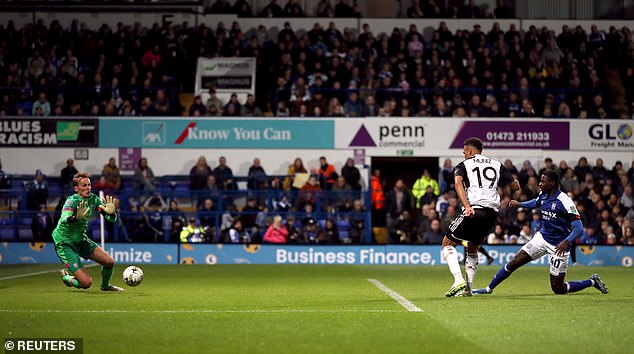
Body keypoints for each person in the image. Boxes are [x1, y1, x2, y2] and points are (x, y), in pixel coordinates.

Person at [473, 170, 608, 296]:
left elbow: (578, 227)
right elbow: (536, 203)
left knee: (558, 289)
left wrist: (566, 242)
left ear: (553, 183)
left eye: (543, 181)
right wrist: (520, 204)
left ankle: (592, 281)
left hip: (559, 246)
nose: (540, 183)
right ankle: (488, 289)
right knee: (515, 261)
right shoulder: (543, 195)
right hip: (542, 238)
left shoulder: (565, 201)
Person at [442, 137, 519, 297]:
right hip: (491, 214)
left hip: (475, 210)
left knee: (447, 242)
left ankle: (458, 280)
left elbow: (458, 183)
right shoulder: (497, 164)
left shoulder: (464, 165)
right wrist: (515, 183)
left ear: (469, 151)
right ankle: (468, 289)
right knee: (472, 247)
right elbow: (514, 186)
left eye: (464, 152)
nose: (464, 155)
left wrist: (467, 206)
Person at [54, 172, 124, 291]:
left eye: (89, 185)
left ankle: (105, 286)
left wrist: (112, 214)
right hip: (65, 243)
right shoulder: (71, 201)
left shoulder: (93, 199)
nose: (88, 188)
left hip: (80, 239)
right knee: (86, 283)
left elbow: (109, 218)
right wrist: (75, 217)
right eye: (84, 185)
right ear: (76, 188)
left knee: (109, 262)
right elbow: (64, 218)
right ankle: (68, 278)